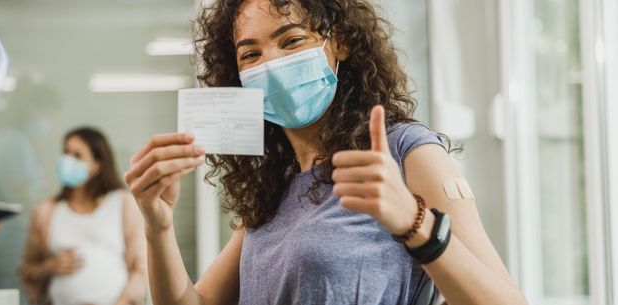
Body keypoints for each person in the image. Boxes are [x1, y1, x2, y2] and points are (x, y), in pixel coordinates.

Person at [124, 0, 528, 304]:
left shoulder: (404, 151)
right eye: (251, 54)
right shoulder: (273, 189)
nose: (272, 63)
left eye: (292, 40)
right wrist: (157, 227)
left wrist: (413, 222)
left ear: (340, 43)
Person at [19, 127, 147, 305]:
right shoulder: (46, 211)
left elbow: (141, 269)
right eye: (66, 153)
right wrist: (48, 267)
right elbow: (27, 270)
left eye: (77, 156)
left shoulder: (123, 203)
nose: (67, 160)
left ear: (97, 166)